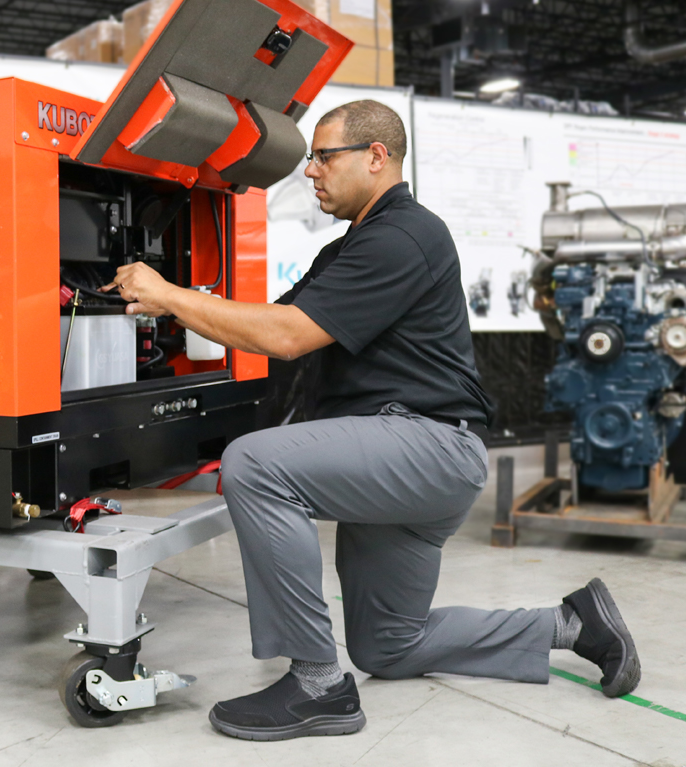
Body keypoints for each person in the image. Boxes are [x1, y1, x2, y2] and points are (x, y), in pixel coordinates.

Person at [103, 100, 640, 742]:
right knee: (389, 646)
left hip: (427, 447)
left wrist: (169, 294)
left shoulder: (404, 235)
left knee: (255, 463)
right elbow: (264, 325)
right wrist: (172, 309)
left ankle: (316, 685)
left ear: (376, 157)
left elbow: (288, 337)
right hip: (399, 459)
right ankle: (573, 624)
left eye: (324, 156)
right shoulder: (347, 251)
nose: (311, 171)